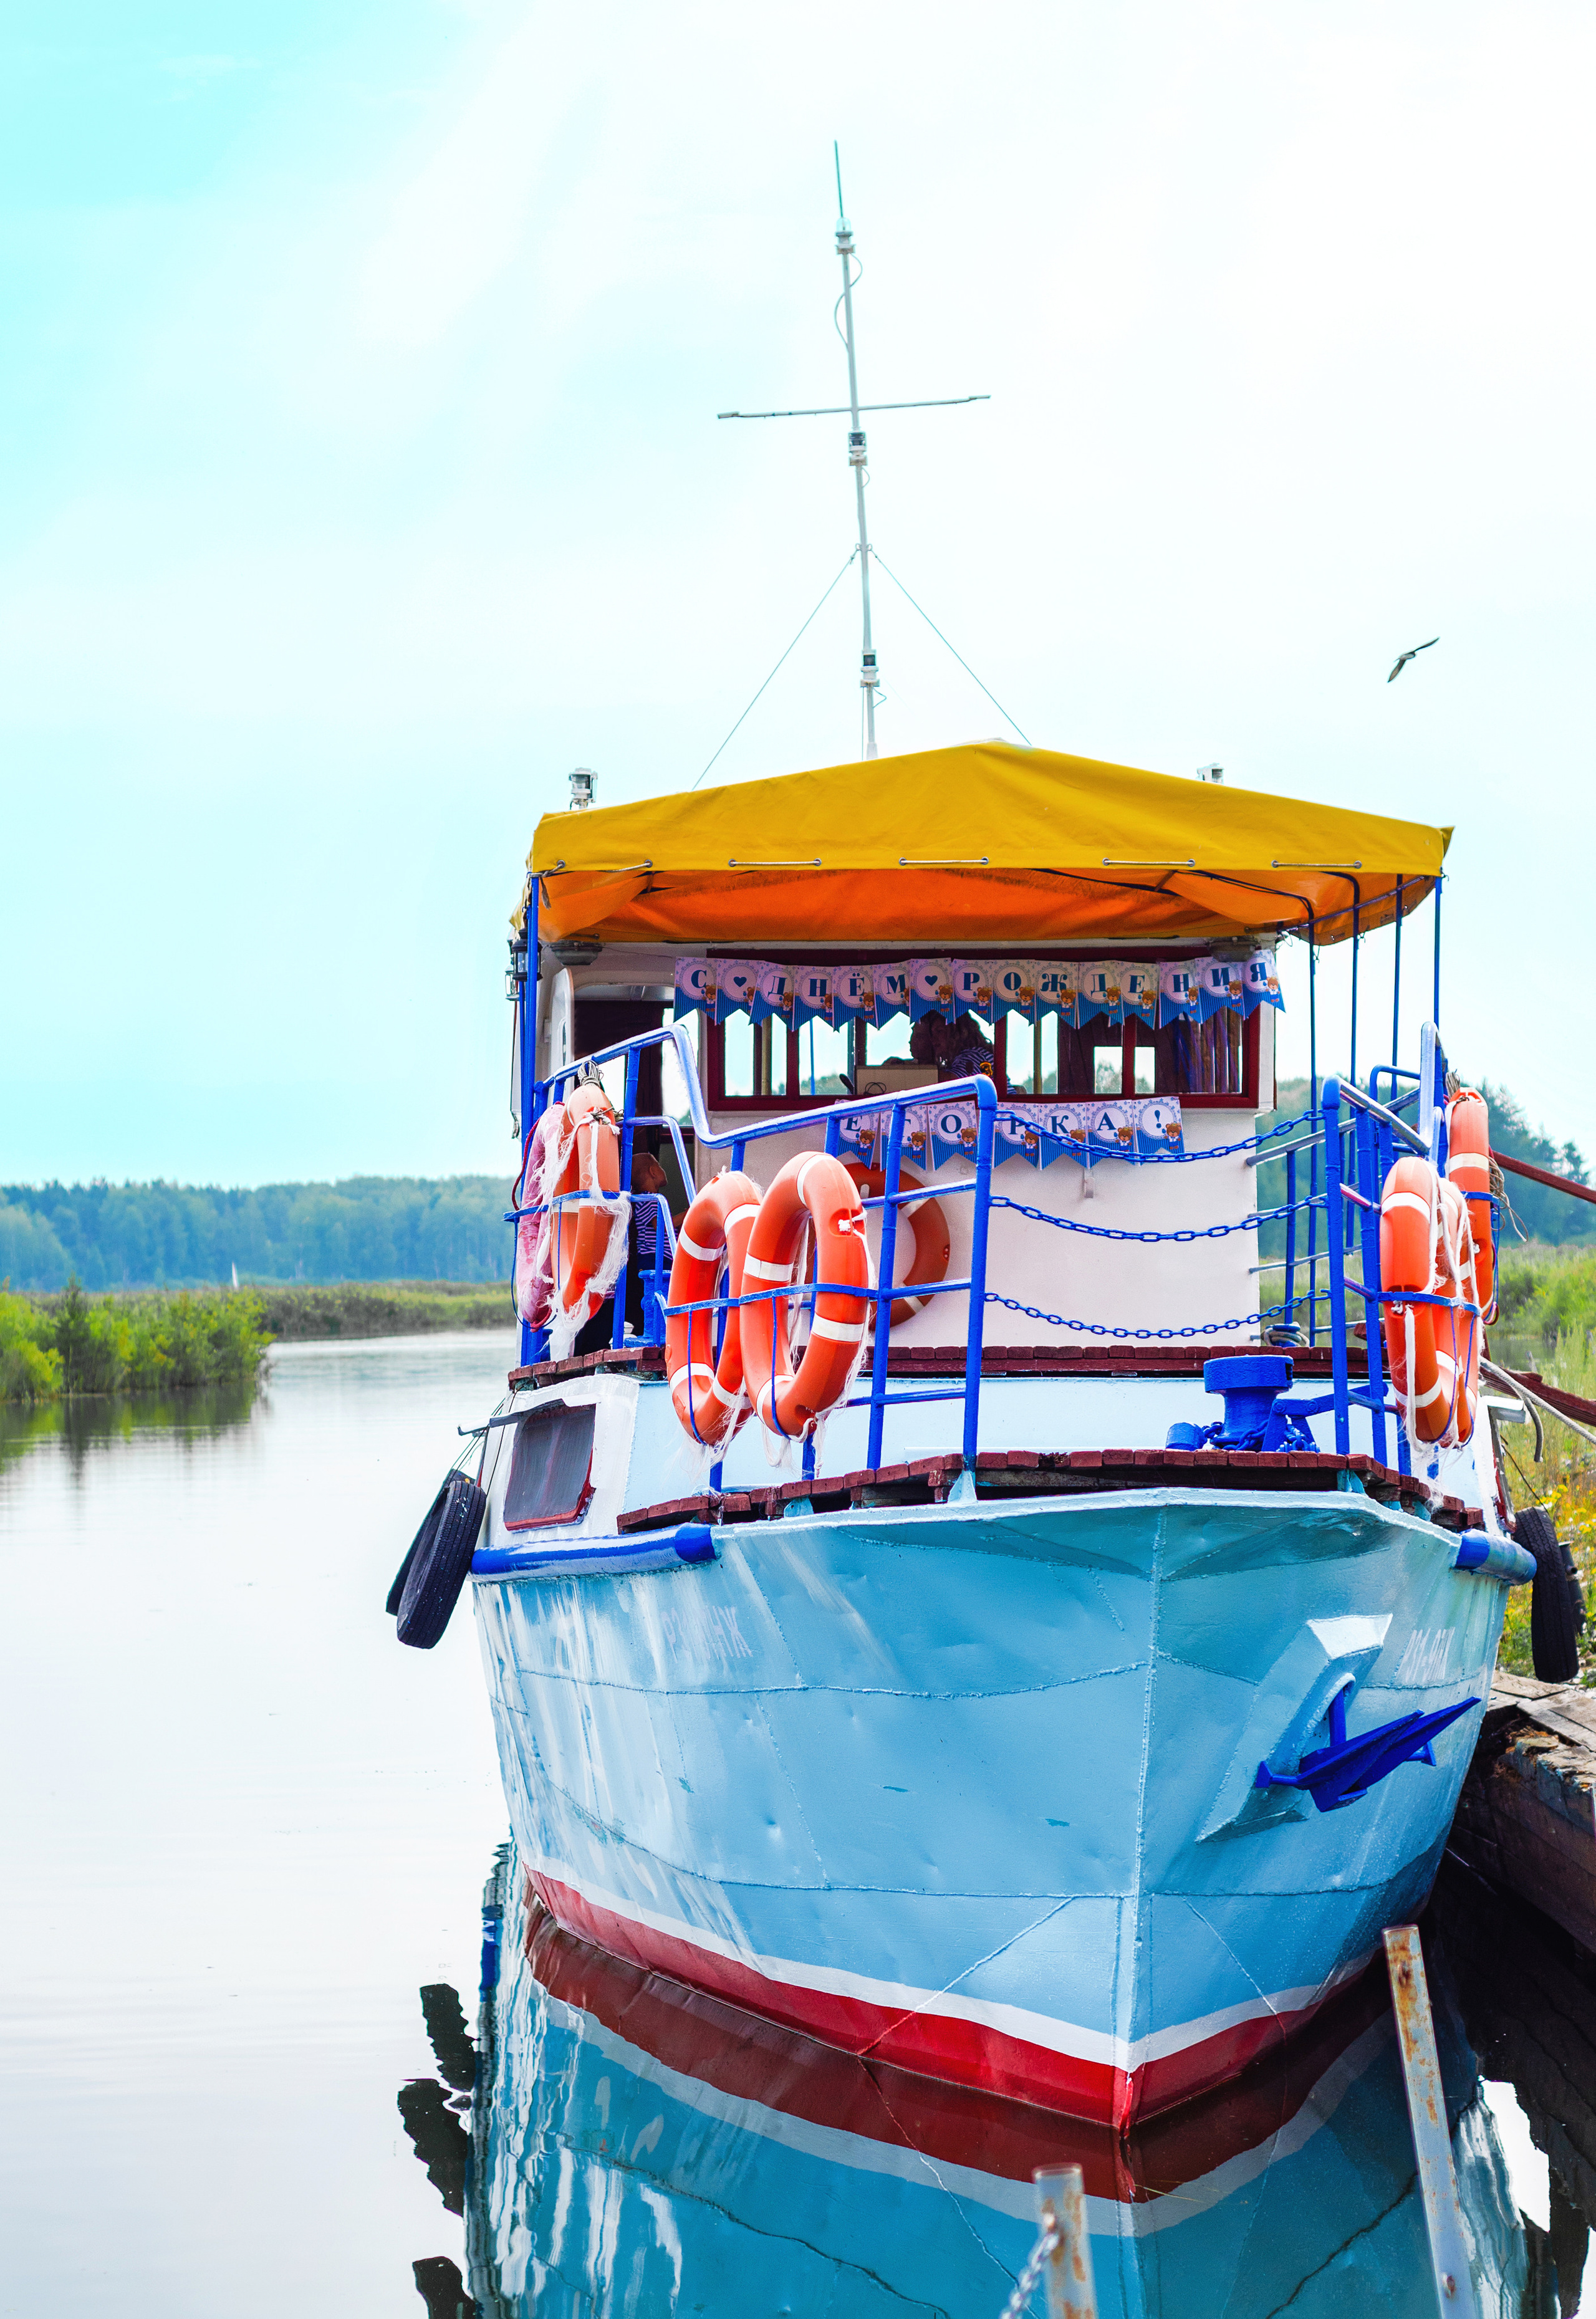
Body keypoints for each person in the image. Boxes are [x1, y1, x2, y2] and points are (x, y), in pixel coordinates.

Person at [909, 1012, 1000, 1087]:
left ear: (957, 1033)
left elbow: (952, 1083)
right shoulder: (969, 1056)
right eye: (932, 1034)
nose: (933, 1039)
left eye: (940, 1031)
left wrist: (904, 1071)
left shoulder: (974, 1056)